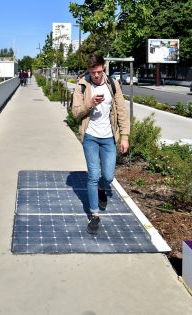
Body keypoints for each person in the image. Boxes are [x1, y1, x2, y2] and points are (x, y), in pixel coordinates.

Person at [72, 54, 130, 234]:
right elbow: (75, 113)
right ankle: (94, 215)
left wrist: (125, 136)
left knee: (109, 176)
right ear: (88, 71)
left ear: (103, 68)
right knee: (93, 174)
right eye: (92, 72)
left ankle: (102, 188)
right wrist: (89, 104)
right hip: (90, 136)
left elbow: (121, 110)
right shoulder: (82, 85)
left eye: (98, 72)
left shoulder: (113, 84)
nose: (96, 76)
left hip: (108, 138)